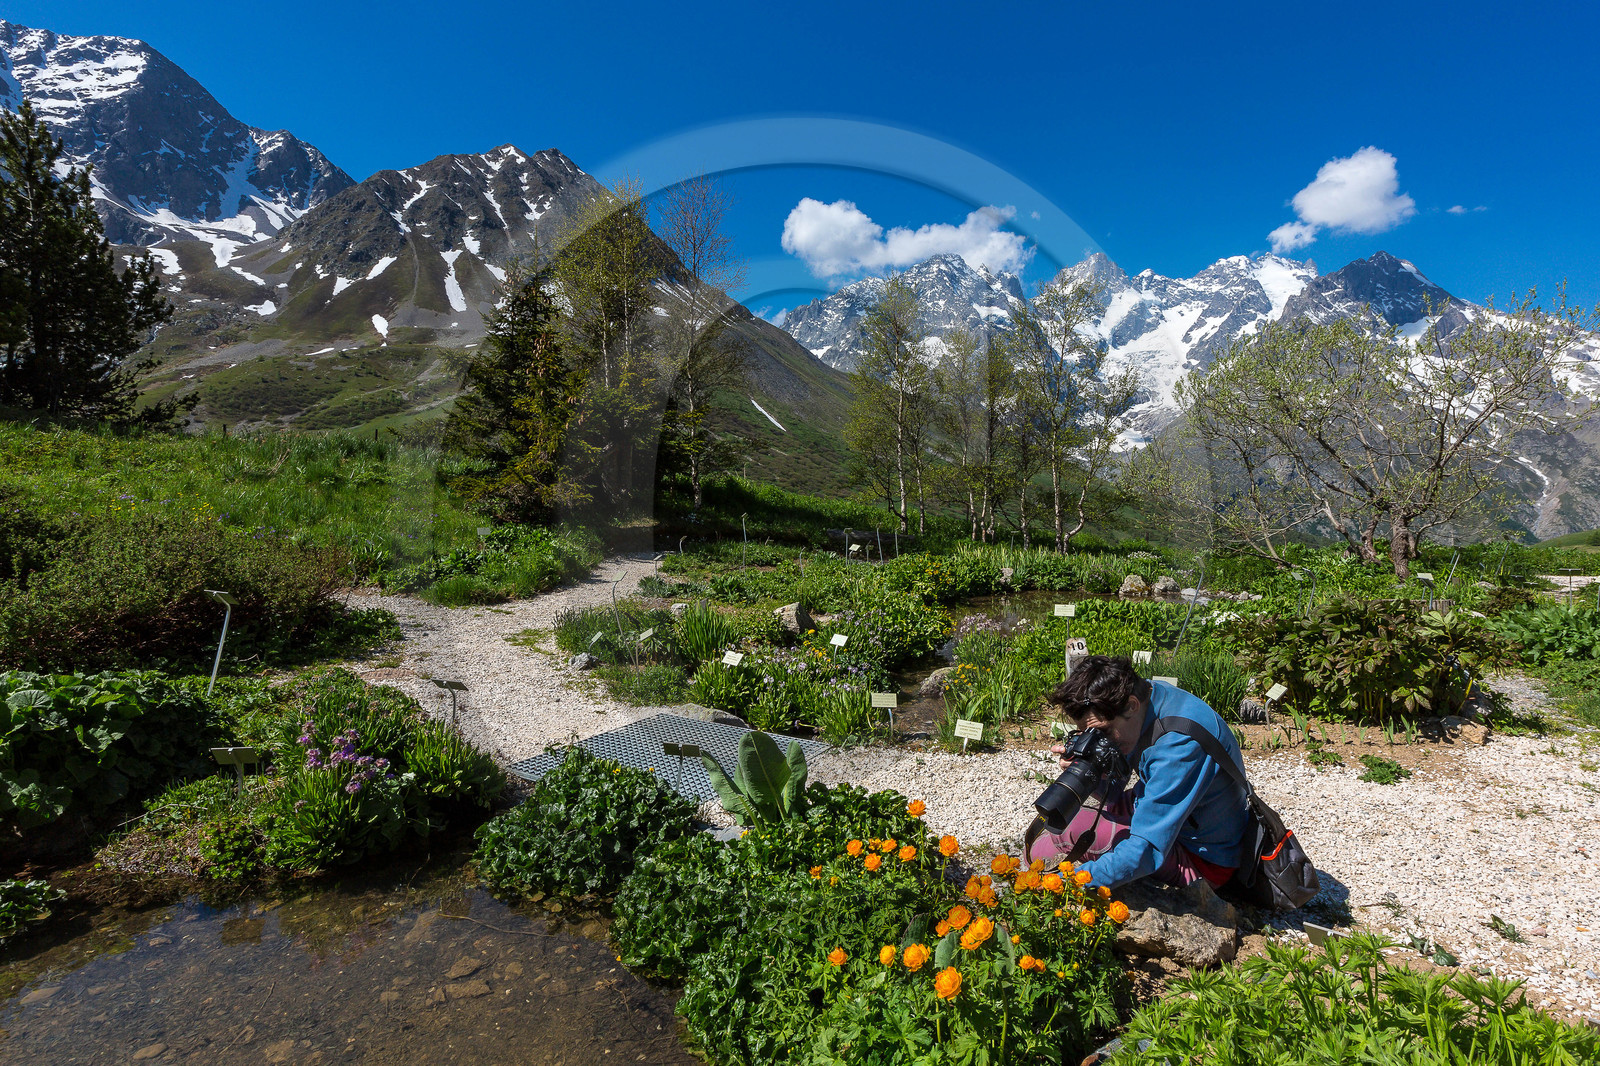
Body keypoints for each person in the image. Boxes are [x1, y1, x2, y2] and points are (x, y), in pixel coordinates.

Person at [1025, 655, 1251, 892]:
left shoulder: (1178, 746)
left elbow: (1144, 853)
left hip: (1204, 862)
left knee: (1063, 836)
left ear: (1131, 705)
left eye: (1102, 732)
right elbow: (1110, 798)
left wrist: (1067, 884)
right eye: (1087, 733)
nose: (1100, 741)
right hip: (1177, 822)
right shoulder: (1148, 698)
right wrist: (1088, 768)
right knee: (1057, 823)